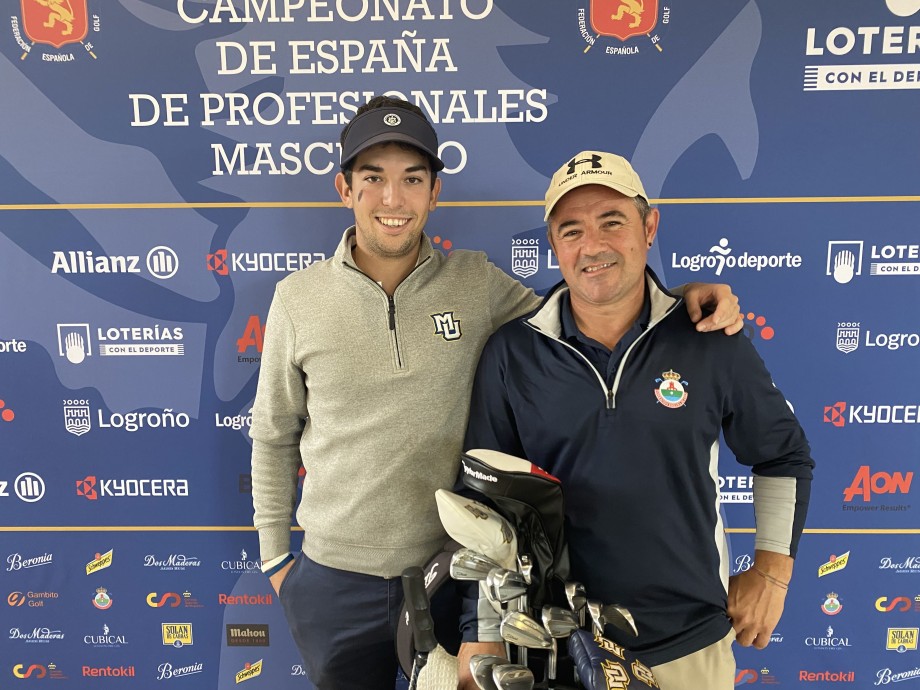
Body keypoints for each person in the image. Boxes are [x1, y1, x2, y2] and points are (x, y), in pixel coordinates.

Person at [249, 99, 743, 690]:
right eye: (372, 178)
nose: (391, 199)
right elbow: (274, 435)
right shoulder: (297, 300)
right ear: (344, 188)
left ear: (434, 193)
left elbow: (589, 308)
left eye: (412, 179)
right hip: (334, 583)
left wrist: (678, 301)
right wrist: (278, 560)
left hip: (452, 575)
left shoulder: (476, 282)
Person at [461, 151, 815, 690]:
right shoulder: (513, 353)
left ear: (649, 227)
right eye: (572, 230)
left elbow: (782, 455)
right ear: (554, 245)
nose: (593, 245)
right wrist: (482, 629)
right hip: (554, 648)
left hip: (687, 646)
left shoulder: (708, 338)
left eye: (612, 222)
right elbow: (485, 505)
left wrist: (772, 572)